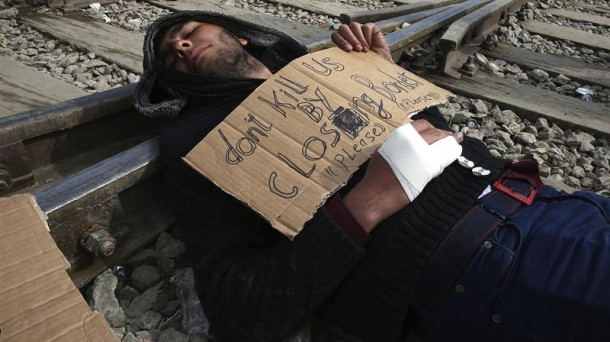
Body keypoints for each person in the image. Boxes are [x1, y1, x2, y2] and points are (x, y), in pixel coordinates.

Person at [135, 10, 610, 342]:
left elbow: (430, 145)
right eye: (173, 57)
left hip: (549, 203)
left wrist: (389, 81)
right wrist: (368, 202)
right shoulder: (200, 143)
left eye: (191, 31)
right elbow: (239, 309)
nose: (180, 44)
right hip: (489, 261)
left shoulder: (324, 70)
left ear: (240, 35)